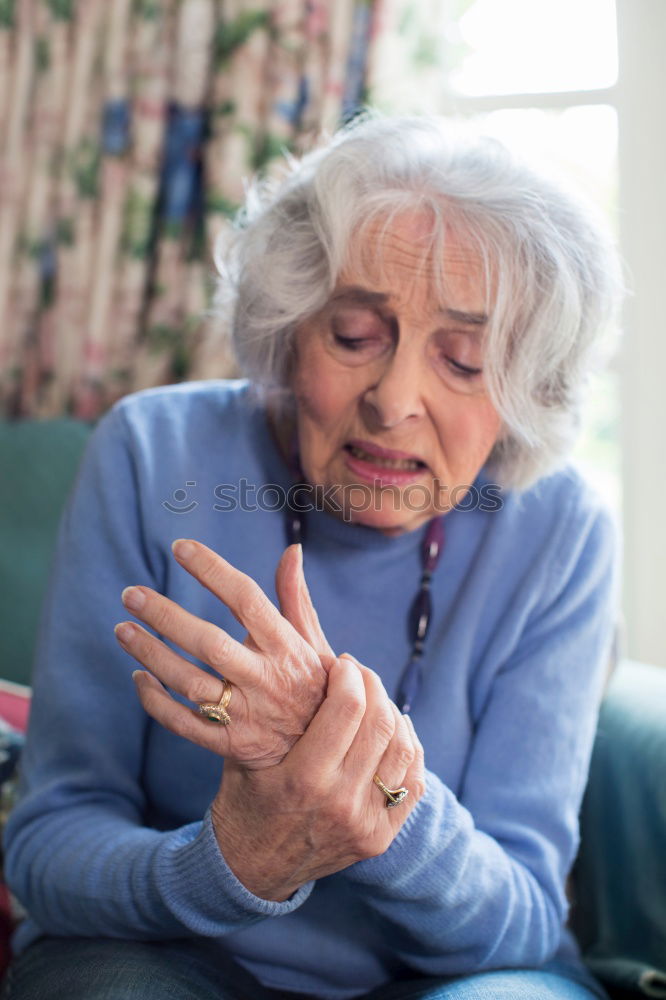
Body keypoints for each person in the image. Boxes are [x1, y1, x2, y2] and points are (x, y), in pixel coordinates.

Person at [2, 114, 622, 1000]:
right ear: (290, 328)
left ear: (528, 387)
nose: (394, 402)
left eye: (464, 359)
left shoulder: (559, 532)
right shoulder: (153, 454)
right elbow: (49, 846)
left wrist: (370, 795)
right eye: (355, 336)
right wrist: (229, 864)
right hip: (171, 962)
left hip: (440, 979)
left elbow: (521, 918)